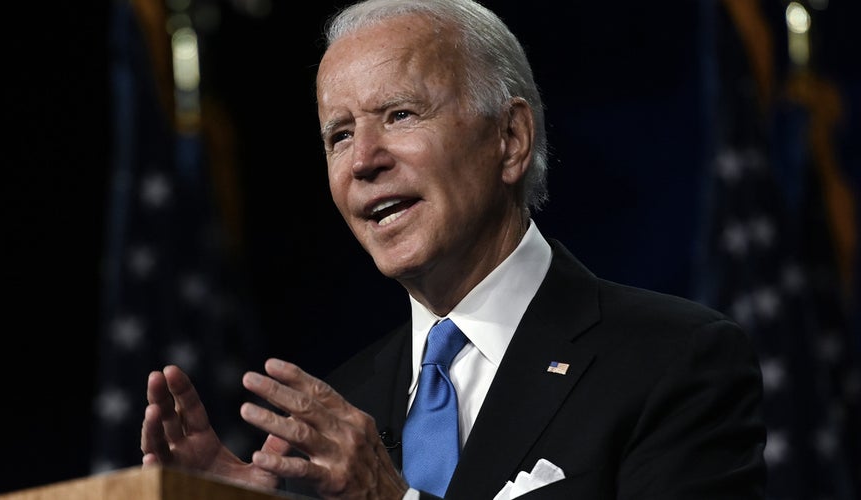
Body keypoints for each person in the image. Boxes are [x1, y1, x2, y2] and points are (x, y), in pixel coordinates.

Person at [140, 0, 767, 498]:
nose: (363, 161)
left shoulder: (672, 362)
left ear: (511, 140)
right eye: (339, 134)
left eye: (401, 115)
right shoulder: (334, 417)